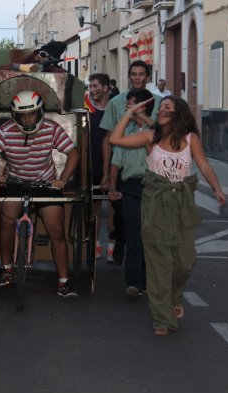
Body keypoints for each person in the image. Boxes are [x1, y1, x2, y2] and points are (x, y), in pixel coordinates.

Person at [110, 95, 226, 335]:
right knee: (158, 264)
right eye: (160, 108)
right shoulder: (149, 137)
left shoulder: (190, 138)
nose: (161, 111)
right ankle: (162, 319)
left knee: (184, 262)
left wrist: (217, 189)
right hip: (154, 205)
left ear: (179, 113)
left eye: (167, 108)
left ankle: (174, 297)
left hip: (182, 205)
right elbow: (115, 138)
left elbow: (204, 166)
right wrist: (130, 113)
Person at [0, 90, 80, 298]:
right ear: (14, 116)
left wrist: (62, 179)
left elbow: (73, 153)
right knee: (6, 222)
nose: (27, 119)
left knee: (56, 232)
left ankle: (64, 281)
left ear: (40, 112)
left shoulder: (52, 128)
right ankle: (6, 269)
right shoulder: (6, 131)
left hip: (45, 184)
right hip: (14, 182)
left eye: (31, 114)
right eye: (22, 115)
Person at [99, 60, 161, 298]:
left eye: (141, 74)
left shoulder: (158, 103)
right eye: (133, 74)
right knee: (134, 228)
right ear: (128, 76)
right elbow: (110, 141)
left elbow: (162, 136)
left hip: (155, 181)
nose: (137, 78)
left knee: (152, 232)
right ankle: (134, 280)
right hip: (129, 177)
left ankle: (150, 277)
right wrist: (106, 174)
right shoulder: (116, 103)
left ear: (147, 76)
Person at [85, 73, 118, 263]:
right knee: (95, 206)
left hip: (114, 162)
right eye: (91, 86)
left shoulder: (115, 108)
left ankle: (112, 247)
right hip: (91, 162)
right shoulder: (85, 107)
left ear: (106, 88)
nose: (93, 89)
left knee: (114, 206)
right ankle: (96, 244)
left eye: (96, 86)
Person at [3, 41, 68, 73]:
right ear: (37, 53)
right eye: (43, 55)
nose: (45, 60)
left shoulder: (58, 72)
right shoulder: (27, 60)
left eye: (50, 59)